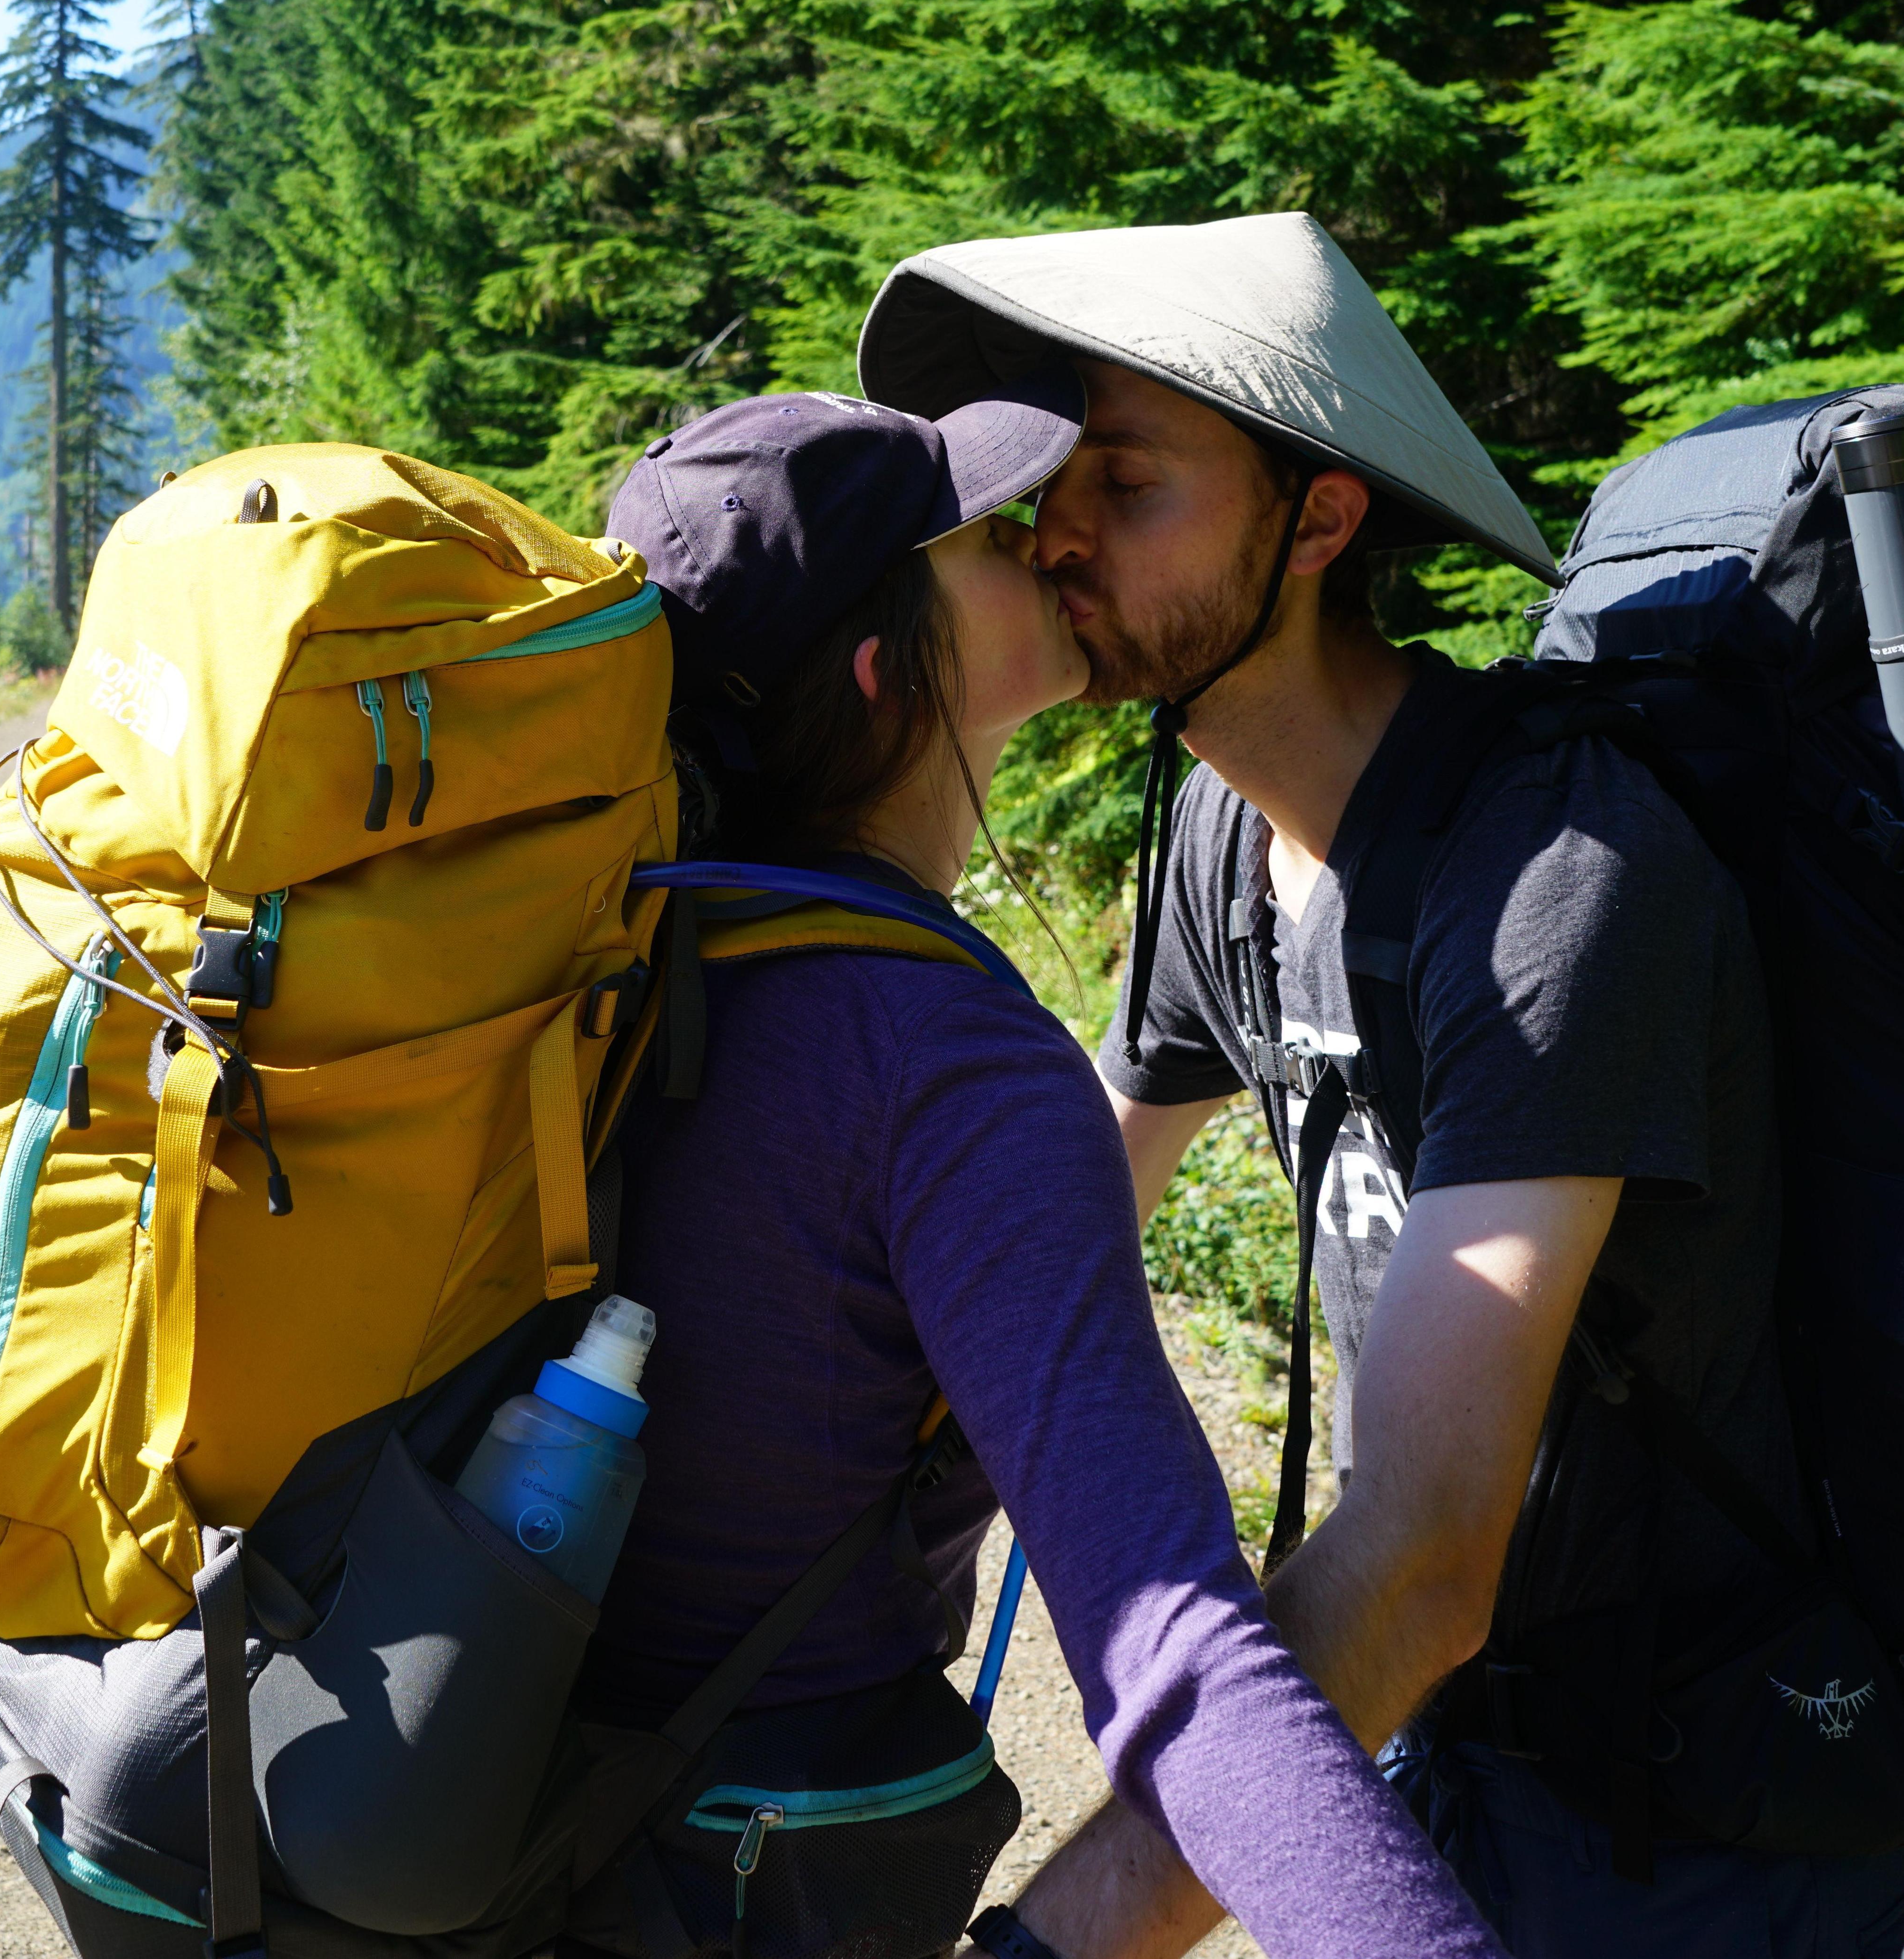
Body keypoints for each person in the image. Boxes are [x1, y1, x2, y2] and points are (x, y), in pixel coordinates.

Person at [853, 212, 1904, 1959]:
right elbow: (1060, 1238)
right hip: (1469, 1760)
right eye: (1057, 485)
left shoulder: (1563, 879)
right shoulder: (1217, 833)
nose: (1058, 537)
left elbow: (1421, 1559)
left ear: (1320, 521)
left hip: (1722, 1825)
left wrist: (1051, 1944)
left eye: (1129, 483)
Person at [585, 385, 1503, 1959]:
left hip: (512, 1833)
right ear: (886, 676)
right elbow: (1181, 1660)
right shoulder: (938, 1056)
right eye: (984, 536)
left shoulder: (636, 950)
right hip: (740, 1885)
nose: (1045, 539)